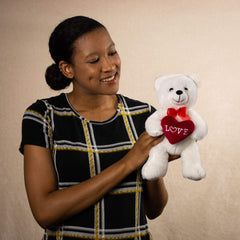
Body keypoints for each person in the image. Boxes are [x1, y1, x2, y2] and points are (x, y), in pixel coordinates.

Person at [20, 16, 175, 240]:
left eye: (112, 52)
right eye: (94, 60)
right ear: (67, 68)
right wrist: (130, 161)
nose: (109, 66)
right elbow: (45, 213)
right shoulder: (43, 116)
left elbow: (154, 210)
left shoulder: (143, 114)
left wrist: (155, 162)